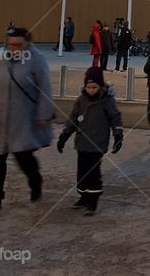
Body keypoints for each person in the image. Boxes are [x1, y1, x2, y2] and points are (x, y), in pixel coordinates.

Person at [0, 27, 54, 213]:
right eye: (10, 44)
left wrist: (44, 114)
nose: (13, 48)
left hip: (22, 119)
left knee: (24, 158)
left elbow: (44, 89)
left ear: (27, 44)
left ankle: (35, 181)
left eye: (18, 45)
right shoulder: (0, 58)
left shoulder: (36, 60)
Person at [57, 66, 123, 215]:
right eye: (88, 87)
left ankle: (92, 201)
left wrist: (118, 135)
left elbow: (115, 117)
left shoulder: (106, 100)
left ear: (100, 86)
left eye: (94, 87)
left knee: (93, 172)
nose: (91, 90)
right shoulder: (81, 100)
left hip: (98, 142)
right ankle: (83, 195)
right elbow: (73, 118)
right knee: (82, 171)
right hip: (82, 142)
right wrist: (64, 136)